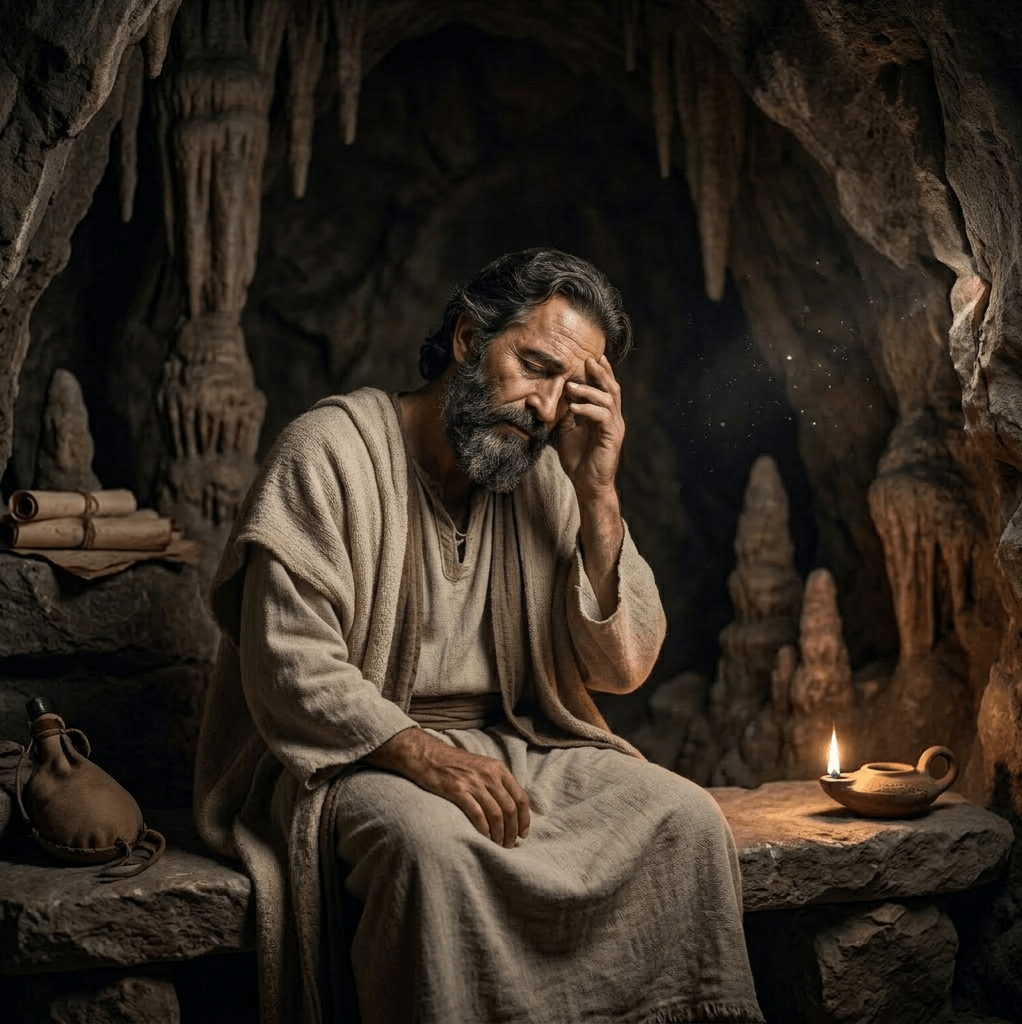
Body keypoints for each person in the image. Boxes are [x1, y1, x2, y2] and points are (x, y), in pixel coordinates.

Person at [194, 248, 763, 1024]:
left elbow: (623, 664)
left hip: (517, 743)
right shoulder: (329, 452)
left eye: (571, 389)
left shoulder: (543, 477)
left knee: (687, 822)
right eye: (534, 366)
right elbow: (290, 666)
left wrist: (597, 490)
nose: (546, 406)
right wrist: (427, 756)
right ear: (467, 340)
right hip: (356, 757)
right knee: (434, 854)